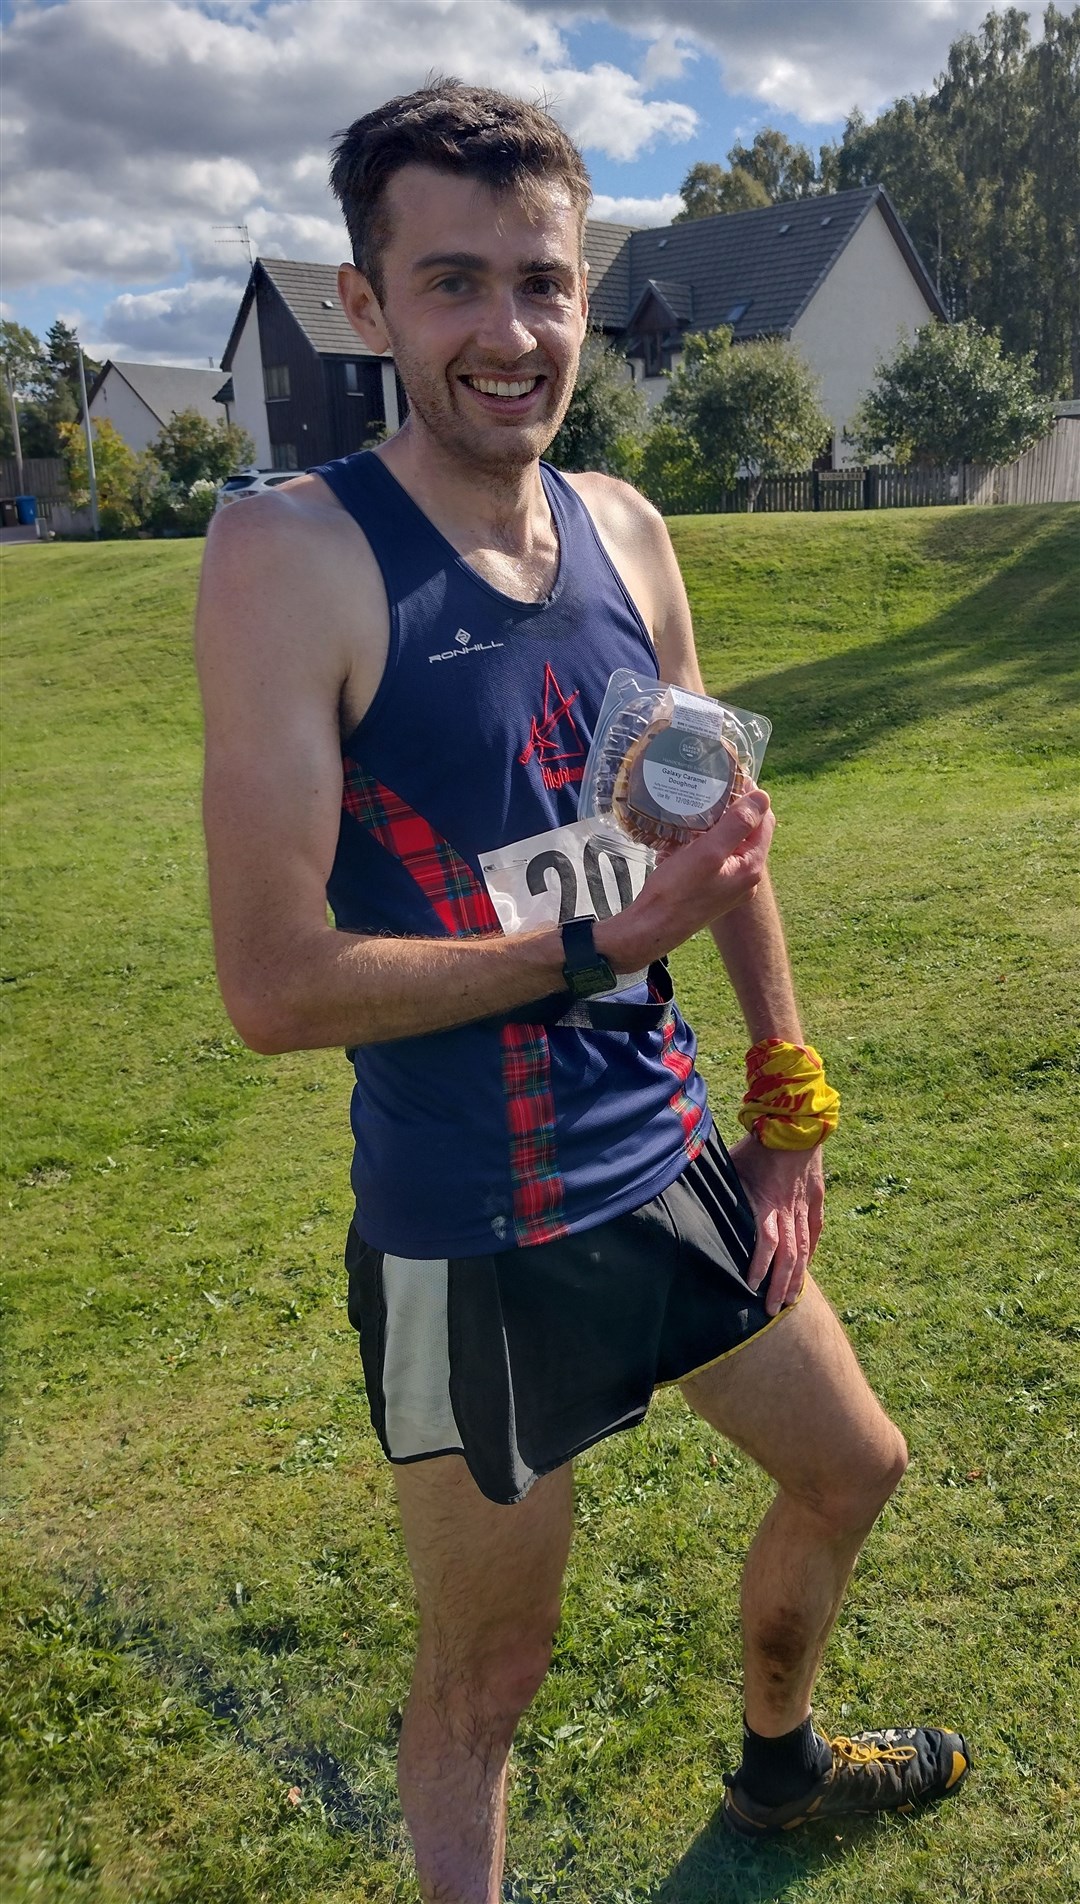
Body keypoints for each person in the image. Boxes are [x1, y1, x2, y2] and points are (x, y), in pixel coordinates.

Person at [195, 79, 969, 1903]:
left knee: (858, 1470)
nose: (511, 332)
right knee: (488, 1683)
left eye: (542, 282)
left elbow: (717, 833)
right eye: (452, 283)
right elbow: (272, 981)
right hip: (474, 1233)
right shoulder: (291, 554)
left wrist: (786, 1096)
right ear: (367, 302)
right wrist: (591, 950)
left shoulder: (626, 528)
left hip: (672, 1170)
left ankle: (780, 1771)